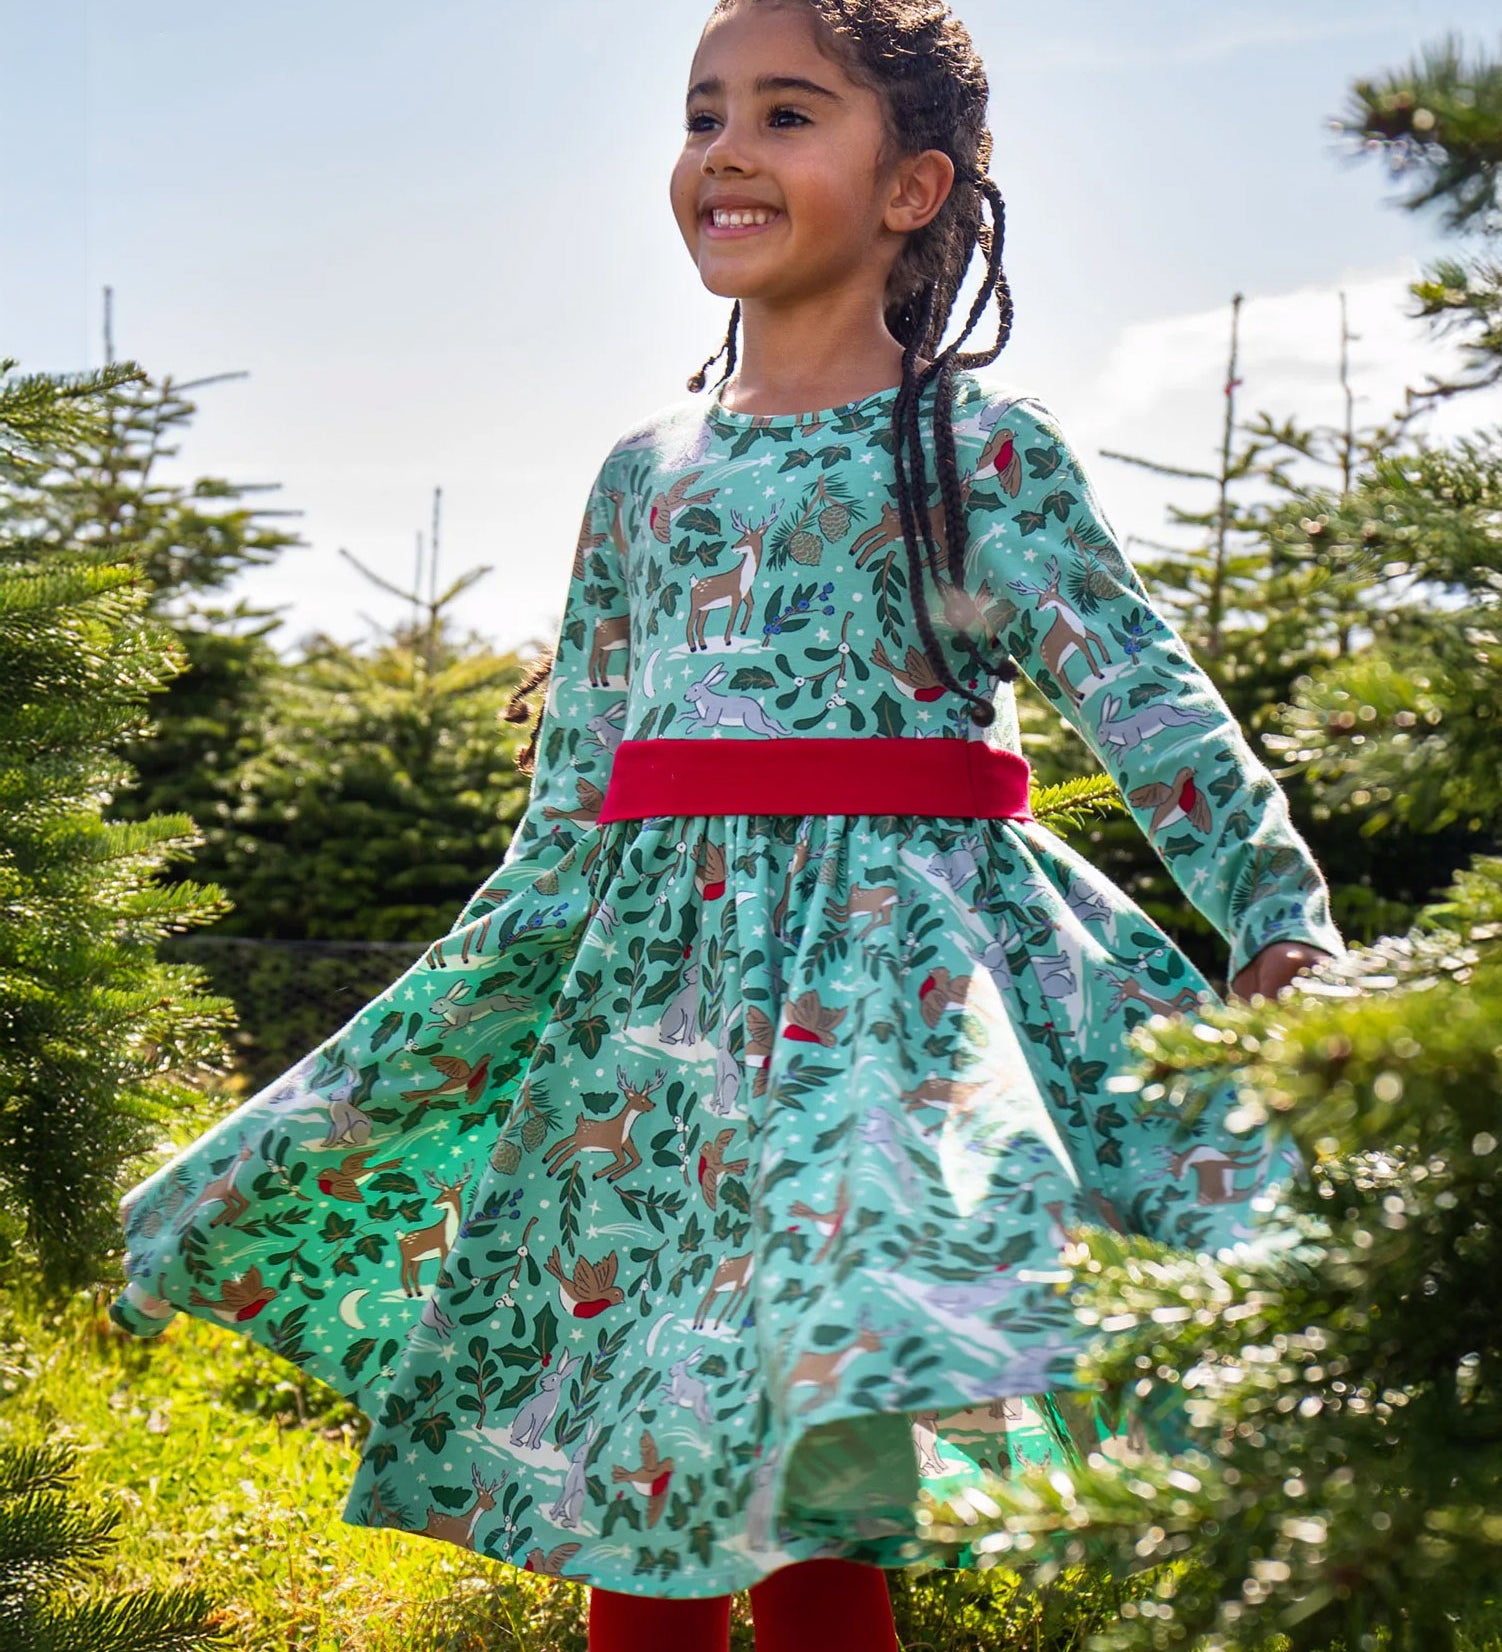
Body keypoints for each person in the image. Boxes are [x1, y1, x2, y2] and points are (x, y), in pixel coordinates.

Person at [111, 1, 1344, 1647]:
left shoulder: (981, 450)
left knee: (813, 1381)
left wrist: (1276, 918)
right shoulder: (644, 474)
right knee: (661, 1399)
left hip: (892, 1003)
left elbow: (1144, 696)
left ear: (912, 188)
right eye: (701, 116)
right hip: (659, 1008)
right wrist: (451, 1016)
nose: (723, 154)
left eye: (783, 114)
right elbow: (571, 802)